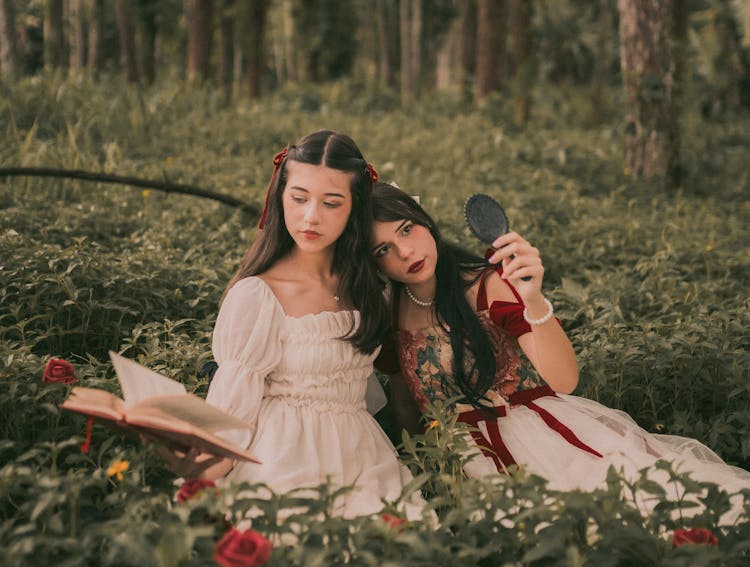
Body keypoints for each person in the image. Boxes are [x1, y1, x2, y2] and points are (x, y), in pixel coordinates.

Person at [371, 182, 750, 519]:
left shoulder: (485, 286)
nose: (405, 251)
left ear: (425, 221)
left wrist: (533, 299)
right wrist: (424, 472)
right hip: (457, 460)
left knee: (638, 515)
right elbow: (406, 404)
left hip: (533, 438)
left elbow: (563, 380)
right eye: (383, 248)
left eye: (407, 229)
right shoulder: (389, 312)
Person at [164, 132, 425, 520]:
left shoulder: (369, 285)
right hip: (284, 457)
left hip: (364, 456)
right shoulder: (258, 295)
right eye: (298, 198)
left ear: (355, 209)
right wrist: (196, 475)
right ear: (280, 196)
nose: (310, 217)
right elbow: (231, 416)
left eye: (331, 202)